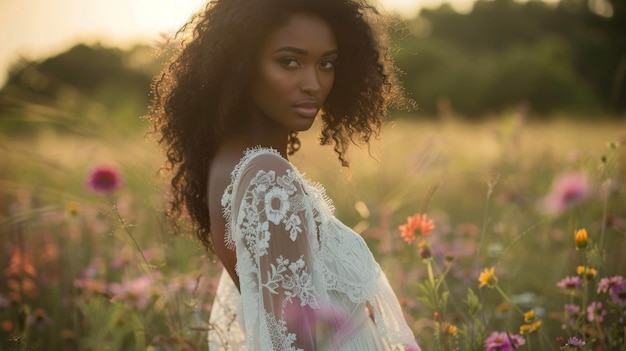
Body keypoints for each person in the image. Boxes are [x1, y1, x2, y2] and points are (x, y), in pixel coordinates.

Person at [147, 0, 420, 349]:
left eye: (326, 64)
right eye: (289, 61)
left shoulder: (230, 161)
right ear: (241, 65)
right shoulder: (267, 177)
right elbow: (294, 341)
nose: (314, 83)